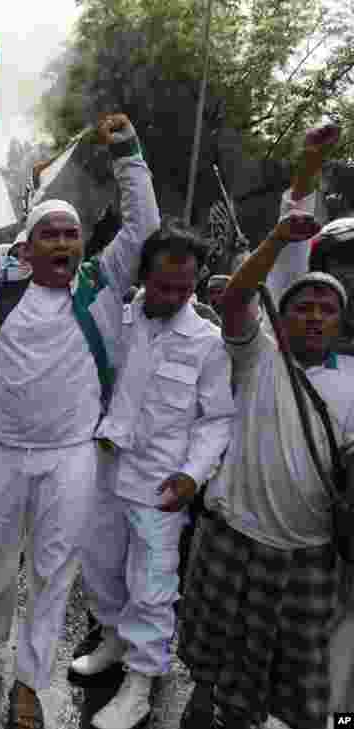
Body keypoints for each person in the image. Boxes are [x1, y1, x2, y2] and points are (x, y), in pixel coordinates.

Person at [0, 113, 160, 729]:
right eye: (49, 235)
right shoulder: (2, 278)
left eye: (71, 234)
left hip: (70, 457)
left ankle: (28, 684)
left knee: (54, 571)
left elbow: (144, 226)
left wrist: (129, 156)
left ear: (83, 243)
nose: (62, 244)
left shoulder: (102, 284)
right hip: (3, 448)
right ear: (27, 248)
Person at [178, 209, 352, 729]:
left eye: (328, 309)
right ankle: (201, 698)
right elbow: (234, 299)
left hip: (307, 552)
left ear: (340, 323)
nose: (315, 316)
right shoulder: (259, 356)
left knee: (293, 661)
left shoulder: (352, 382)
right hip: (234, 532)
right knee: (212, 633)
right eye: (303, 306)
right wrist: (277, 238)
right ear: (284, 316)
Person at [69, 220, 235, 729]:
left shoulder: (207, 341)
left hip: (162, 485)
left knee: (152, 584)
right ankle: (114, 639)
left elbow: (218, 419)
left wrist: (192, 475)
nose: (173, 296)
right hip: (105, 470)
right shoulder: (119, 320)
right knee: (99, 566)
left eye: (185, 288)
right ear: (144, 275)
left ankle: (140, 684)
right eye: (163, 285)